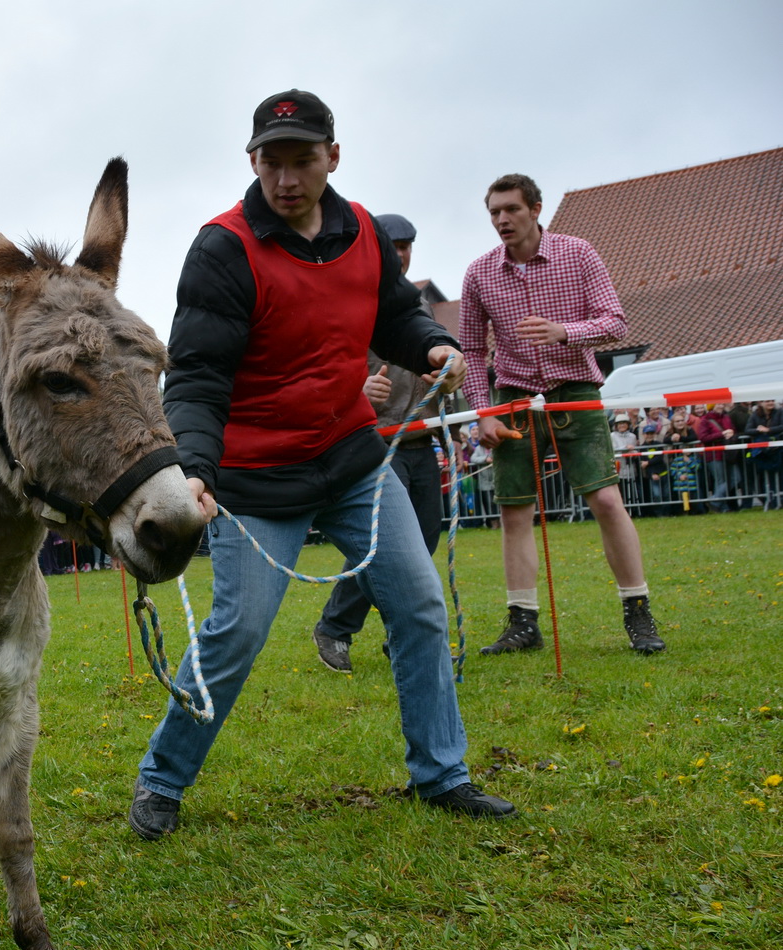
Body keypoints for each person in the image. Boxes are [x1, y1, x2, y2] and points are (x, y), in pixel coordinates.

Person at [128, 89, 515, 842]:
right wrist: (196, 468)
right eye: (270, 161)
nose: (285, 178)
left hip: (352, 462)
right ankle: (162, 779)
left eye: (301, 159)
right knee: (236, 631)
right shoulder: (223, 249)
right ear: (252, 162)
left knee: (419, 605)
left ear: (332, 158)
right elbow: (199, 377)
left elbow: (393, 315)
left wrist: (432, 344)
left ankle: (442, 773)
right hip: (253, 480)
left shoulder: (363, 230)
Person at [459, 174, 665, 656]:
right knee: (513, 511)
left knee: (608, 502)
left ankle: (638, 613)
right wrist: (483, 414)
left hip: (575, 389)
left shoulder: (578, 253)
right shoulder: (478, 273)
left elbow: (615, 321)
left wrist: (563, 332)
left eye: (511, 209)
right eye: (494, 212)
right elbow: (470, 347)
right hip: (512, 395)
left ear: (535, 208)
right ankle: (523, 623)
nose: (502, 220)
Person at [311, 213, 450, 674]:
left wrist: (448, 384)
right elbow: (323, 376)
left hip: (419, 439)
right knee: (380, 547)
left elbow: (442, 372)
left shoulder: (420, 311)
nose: (403, 253)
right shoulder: (350, 304)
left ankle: (399, 633)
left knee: (424, 540)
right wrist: (356, 393)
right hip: (372, 446)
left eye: (408, 244)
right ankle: (336, 627)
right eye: (394, 245)